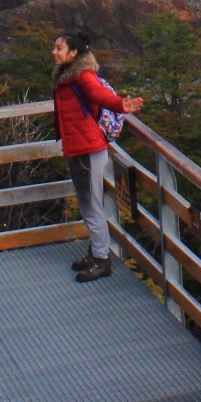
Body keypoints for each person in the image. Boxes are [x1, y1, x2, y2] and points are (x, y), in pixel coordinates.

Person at [50, 31, 143, 282]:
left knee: (92, 204)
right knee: (87, 202)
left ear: (73, 53)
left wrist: (120, 104)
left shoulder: (83, 74)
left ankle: (102, 260)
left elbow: (97, 94)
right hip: (80, 147)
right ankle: (96, 252)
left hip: (88, 149)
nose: (54, 52)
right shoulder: (68, 75)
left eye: (59, 48)